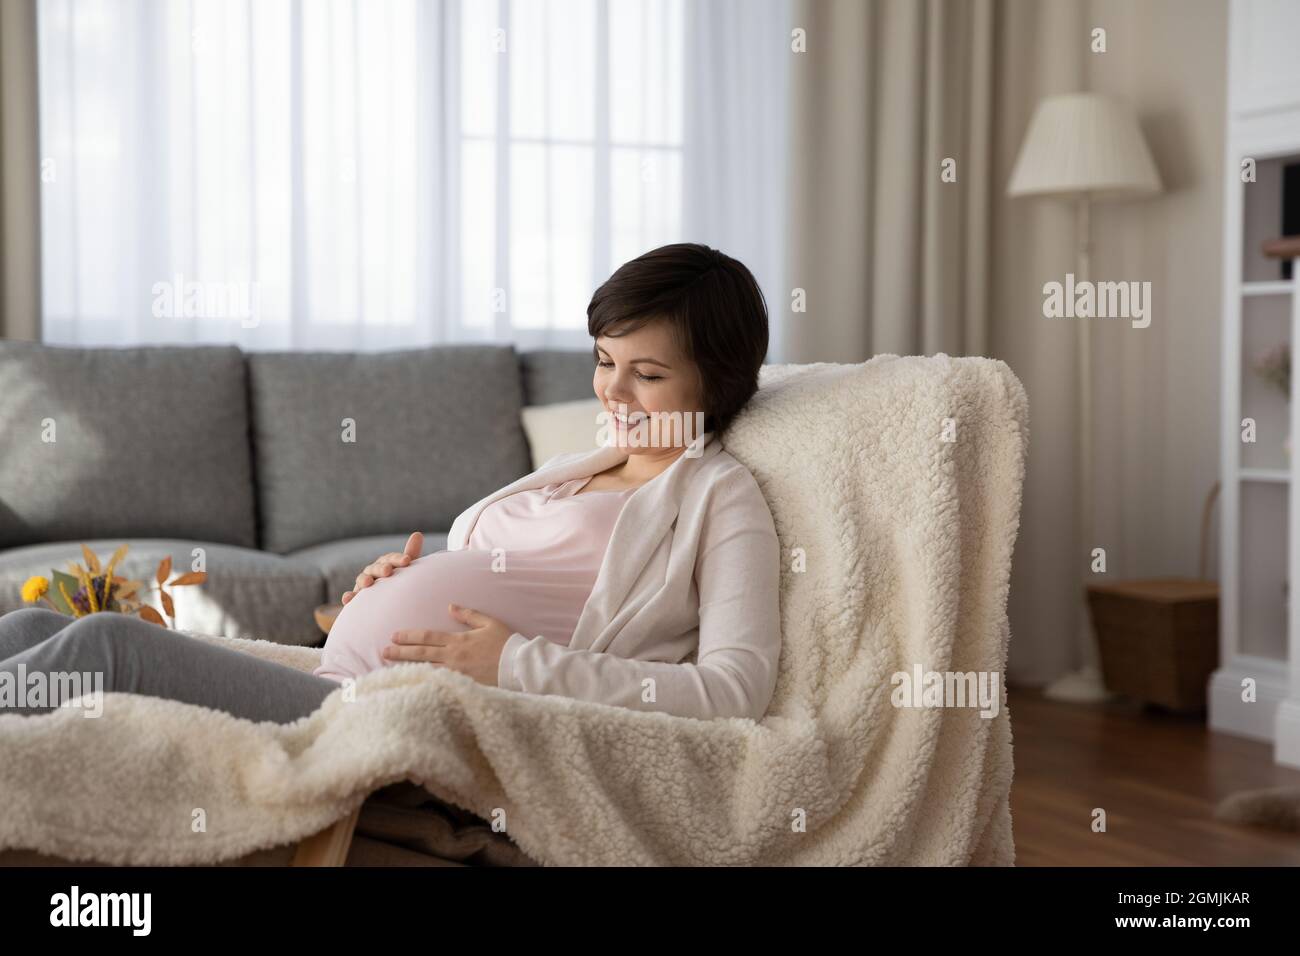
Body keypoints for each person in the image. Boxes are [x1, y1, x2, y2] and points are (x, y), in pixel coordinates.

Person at [0, 242, 781, 725]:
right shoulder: (582, 468)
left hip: (390, 715)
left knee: (108, 646)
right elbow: (504, 581)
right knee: (40, 634)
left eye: (646, 374)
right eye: (605, 363)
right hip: (345, 673)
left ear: (714, 380)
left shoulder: (717, 496)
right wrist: (394, 585)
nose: (611, 393)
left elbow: (733, 688)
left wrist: (513, 664)